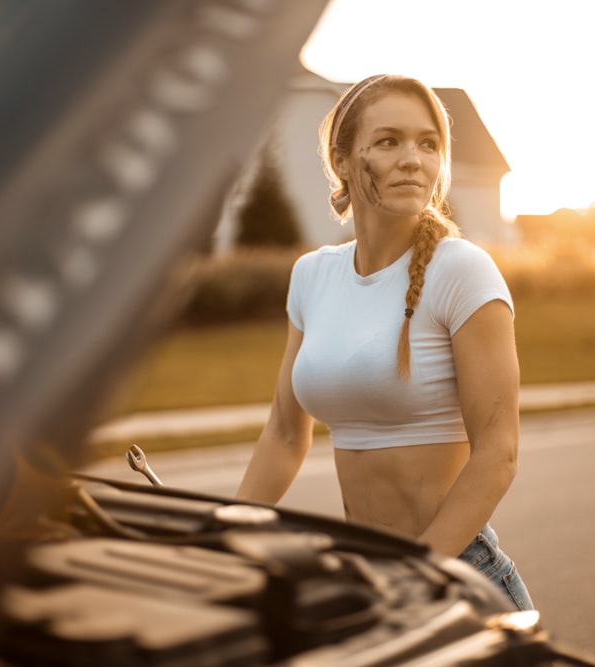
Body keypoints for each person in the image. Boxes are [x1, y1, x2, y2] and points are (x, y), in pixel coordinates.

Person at [235, 74, 533, 611]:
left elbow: (499, 454)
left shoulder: (462, 271)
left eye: (428, 143)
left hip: (456, 578)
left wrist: (416, 577)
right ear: (343, 160)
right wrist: (223, 534)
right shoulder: (311, 276)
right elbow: (284, 435)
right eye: (389, 140)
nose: (414, 158)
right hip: (374, 576)